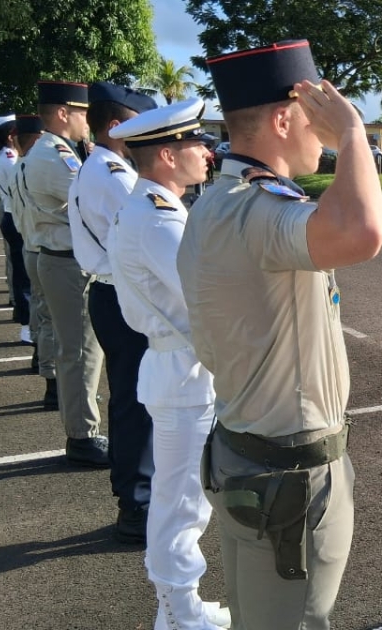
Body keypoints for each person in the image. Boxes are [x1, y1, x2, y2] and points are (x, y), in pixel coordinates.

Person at [178, 39, 382, 630]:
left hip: (245, 454)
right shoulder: (258, 210)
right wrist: (350, 133)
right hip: (287, 476)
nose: (319, 127)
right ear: (283, 117)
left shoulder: (218, 202)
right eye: (313, 113)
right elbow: (362, 232)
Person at [109, 98, 230, 630]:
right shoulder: (157, 219)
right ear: (165, 154)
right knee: (180, 502)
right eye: (194, 144)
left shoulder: (154, 207)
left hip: (179, 366)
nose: (206, 152)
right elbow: (207, 291)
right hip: (182, 369)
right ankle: (178, 613)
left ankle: (181, 604)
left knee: (183, 497)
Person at [67, 81, 159, 543]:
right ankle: (136, 504)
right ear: (119, 126)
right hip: (122, 295)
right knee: (136, 403)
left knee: (131, 399)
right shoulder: (116, 175)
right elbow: (147, 239)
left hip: (111, 293)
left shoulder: (101, 166)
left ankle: (136, 497)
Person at [23, 80, 108, 468]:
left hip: (61, 257)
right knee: (80, 352)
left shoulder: (54, 150)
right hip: (66, 261)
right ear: (63, 114)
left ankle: (82, 425)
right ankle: (82, 436)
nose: (87, 122)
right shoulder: (55, 155)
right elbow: (92, 202)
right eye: (82, 113)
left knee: (78, 350)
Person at [10, 115, 51, 378]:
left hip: (30, 244)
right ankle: (49, 374)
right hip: (42, 248)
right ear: (37, 139)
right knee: (50, 319)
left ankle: (40, 356)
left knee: (40, 308)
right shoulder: (36, 169)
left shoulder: (19, 167)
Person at [0, 114, 32, 343]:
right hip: (14, 216)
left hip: (10, 215)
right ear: (10, 136)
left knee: (21, 269)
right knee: (24, 274)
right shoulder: (9, 158)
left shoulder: (5, 155)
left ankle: (22, 314)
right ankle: (27, 326)